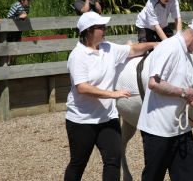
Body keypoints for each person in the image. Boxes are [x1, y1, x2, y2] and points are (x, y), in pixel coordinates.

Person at [64, 11, 157, 181]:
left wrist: (155, 45)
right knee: (78, 163)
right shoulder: (78, 55)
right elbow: (82, 88)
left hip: (107, 118)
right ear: (89, 31)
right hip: (81, 120)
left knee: (113, 160)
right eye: (101, 27)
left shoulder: (108, 48)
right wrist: (112, 94)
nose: (105, 29)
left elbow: (133, 49)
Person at [137, 18, 193, 181]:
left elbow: (190, 94)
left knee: (188, 176)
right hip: (158, 130)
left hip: (181, 130)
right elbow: (154, 83)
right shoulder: (169, 47)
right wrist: (182, 92)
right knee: (153, 177)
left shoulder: (186, 56)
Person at [0, 0, 36, 66]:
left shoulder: (27, 7)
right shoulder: (16, 6)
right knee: (11, 46)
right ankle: (7, 63)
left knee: (16, 47)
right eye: (28, 0)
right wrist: (19, 17)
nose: (29, 2)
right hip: (11, 31)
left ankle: (12, 63)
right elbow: (9, 17)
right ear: (22, 1)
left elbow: (25, 16)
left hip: (18, 30)